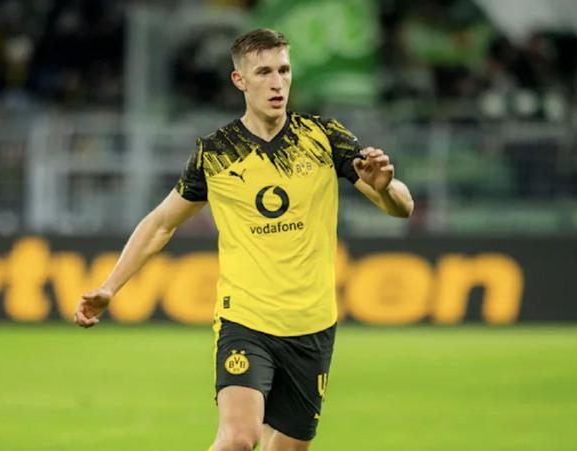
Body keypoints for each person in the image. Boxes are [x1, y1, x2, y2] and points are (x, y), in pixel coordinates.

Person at [74, 28, 414, 451]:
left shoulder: (324, 138)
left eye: (284, 70)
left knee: (286, 447)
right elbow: (160, 223)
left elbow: (401, 208)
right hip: (246, 320)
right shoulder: (216, 153)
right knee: (239, 438)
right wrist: (110, 286)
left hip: (312, 325)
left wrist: (385, 186)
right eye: (264, 72)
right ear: (240, 80)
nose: (277, 83)